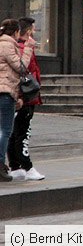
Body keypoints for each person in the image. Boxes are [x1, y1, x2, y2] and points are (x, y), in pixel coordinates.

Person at [8, 17, 43, 181]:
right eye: (33, 29)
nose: (34, 32)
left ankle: (15, 166)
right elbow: (21, 72)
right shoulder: (23, 48)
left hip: (22, 95)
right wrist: (22, 96)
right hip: (26, 96)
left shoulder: (16, 47)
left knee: (14, 132)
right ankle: (27, 167)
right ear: (28, 31)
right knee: (22, 133)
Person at [0, 18, 26, 182]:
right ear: (16, 32)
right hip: (5, 92)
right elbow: (21, 67)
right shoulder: (8, 45)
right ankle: (0, 164)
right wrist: (28, 49)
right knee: (5, 130)